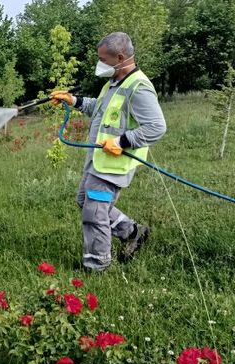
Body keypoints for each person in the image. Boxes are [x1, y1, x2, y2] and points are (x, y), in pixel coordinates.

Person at [51, 32, 166, 271]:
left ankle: (97, 265)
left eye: (103, 59)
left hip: (113, 164)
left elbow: (157, 127)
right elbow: (99, 110)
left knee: (94, 212)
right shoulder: (114, 83)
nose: (100, 63)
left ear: (120, 57)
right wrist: (73, 100)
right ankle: (133, 232)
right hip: (98, 161)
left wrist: (123, 141)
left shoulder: (139, 87)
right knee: (85, 201)